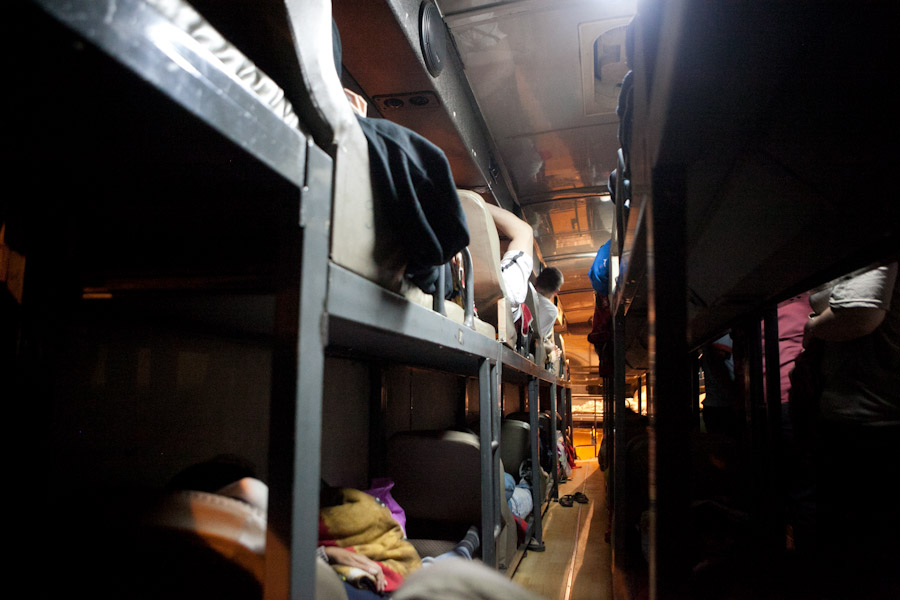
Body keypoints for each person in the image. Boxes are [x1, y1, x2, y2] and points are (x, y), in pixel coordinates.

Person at [795, 260, 899, 598]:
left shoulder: (869, 238)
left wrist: (812, 328)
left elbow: (859, 312)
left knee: (862, 554)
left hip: (873, 418)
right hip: (854, 412)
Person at [483, 202, 563, 343]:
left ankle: (469, 199)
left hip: (480, 296)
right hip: (506, 315)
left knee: (525, 232)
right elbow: (536, 340)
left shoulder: (522, 287)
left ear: (537, 280)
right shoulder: (550, 310)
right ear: (556, 291)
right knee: (525, 232)